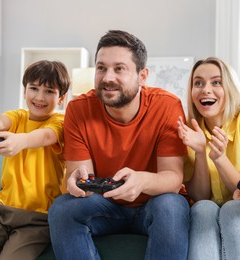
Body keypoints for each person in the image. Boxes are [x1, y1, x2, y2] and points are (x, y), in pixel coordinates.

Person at [48, 30, 190, 260]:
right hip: (104, 204)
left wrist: (141, 180)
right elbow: (81, 176)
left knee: (171, 206)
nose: (107, 78)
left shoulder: (167, 106)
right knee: (63, 208)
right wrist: (75, 182)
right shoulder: (78, 109)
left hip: (154, 204)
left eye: (119, 68)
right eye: (101, 68)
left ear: (142, 76)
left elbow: (173, 179)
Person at [0, 60, 70, 259]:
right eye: (34, 88)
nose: (40, 97)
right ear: (25, 91)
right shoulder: (18, 117)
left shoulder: (60, 122)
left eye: (49, 91)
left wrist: (22, 140)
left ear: (61, 98)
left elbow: (46, 136)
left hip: (38, 219)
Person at [177, 57, 240, 260]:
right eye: (198, 83)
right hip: (210, 207)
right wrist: (201, 152)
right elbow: (201, 196)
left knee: (232, 209)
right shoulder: (190, 129)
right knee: (202, 208)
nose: (205, 89)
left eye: (216, 82)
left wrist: (219, 158)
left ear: (229, 88)